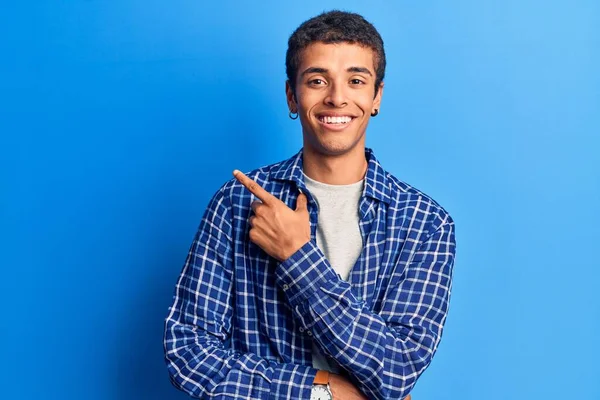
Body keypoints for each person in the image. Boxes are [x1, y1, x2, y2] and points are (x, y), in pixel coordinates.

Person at [163, 10, 456, 400]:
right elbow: (189, 350)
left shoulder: (424, 223)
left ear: (376, 97)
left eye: (356, 81)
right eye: (317, 80)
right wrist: (324, 391)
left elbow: (397, 369)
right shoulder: (238, 203)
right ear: (292, 95)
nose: (337, 97)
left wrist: (297, 256)